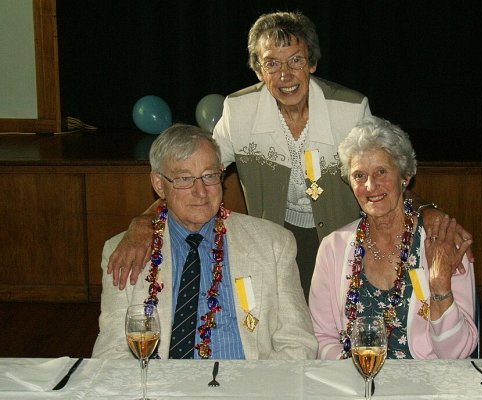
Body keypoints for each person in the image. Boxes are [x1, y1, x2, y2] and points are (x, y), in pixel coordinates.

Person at [107, 11, 473, 300]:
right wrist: (143, 223)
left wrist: (426, 209)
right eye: (271, 63)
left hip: (343, 235)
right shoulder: (240, 111)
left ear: (312, 63)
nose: (285, 75)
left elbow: (384, 179)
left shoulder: (349, 109)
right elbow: (193, 175)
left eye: (295, 60)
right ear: (257, 69)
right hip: (273, 237)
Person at [92, 123, 317, 360]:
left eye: (209, 176)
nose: (201, 192)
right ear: (159, 185)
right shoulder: (125, 252)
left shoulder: (272, 244)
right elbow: (112, 352)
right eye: (184, 179)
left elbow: (298, 344)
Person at [309, 116, 477, 360]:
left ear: (405, 177)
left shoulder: (443, 242)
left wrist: (440, 288)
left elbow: (457, 353)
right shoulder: (333, 247)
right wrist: (350, 377)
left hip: (426, 385)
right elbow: (322, 336)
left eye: (381, 172)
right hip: (355, 383)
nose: (370, 185)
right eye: (359, 175)